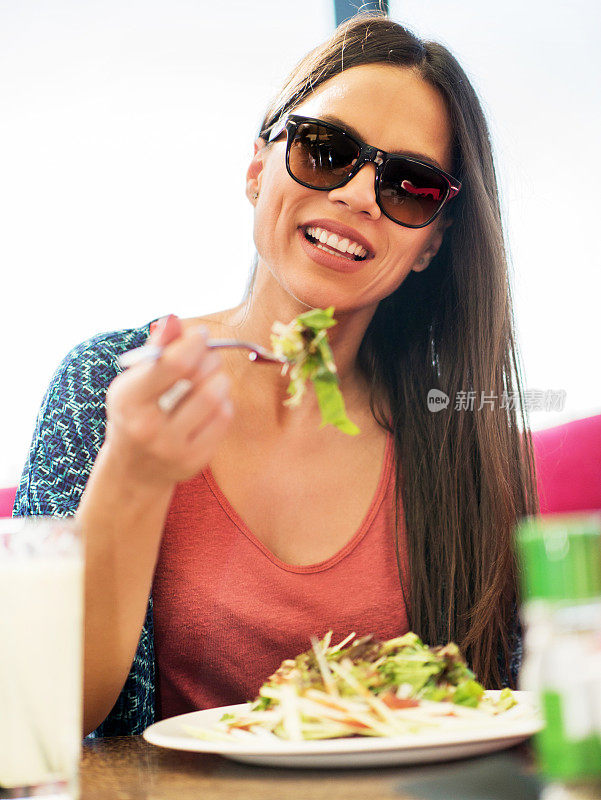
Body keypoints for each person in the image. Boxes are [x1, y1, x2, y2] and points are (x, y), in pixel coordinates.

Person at [14, 12, 538, 738]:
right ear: (258, 167)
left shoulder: (464, 439)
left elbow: (512, 715)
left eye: (410, 186)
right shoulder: (105, 383)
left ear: (430, 244)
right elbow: (36, 711)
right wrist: (132, 471)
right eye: (326, 150)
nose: (356, 194)